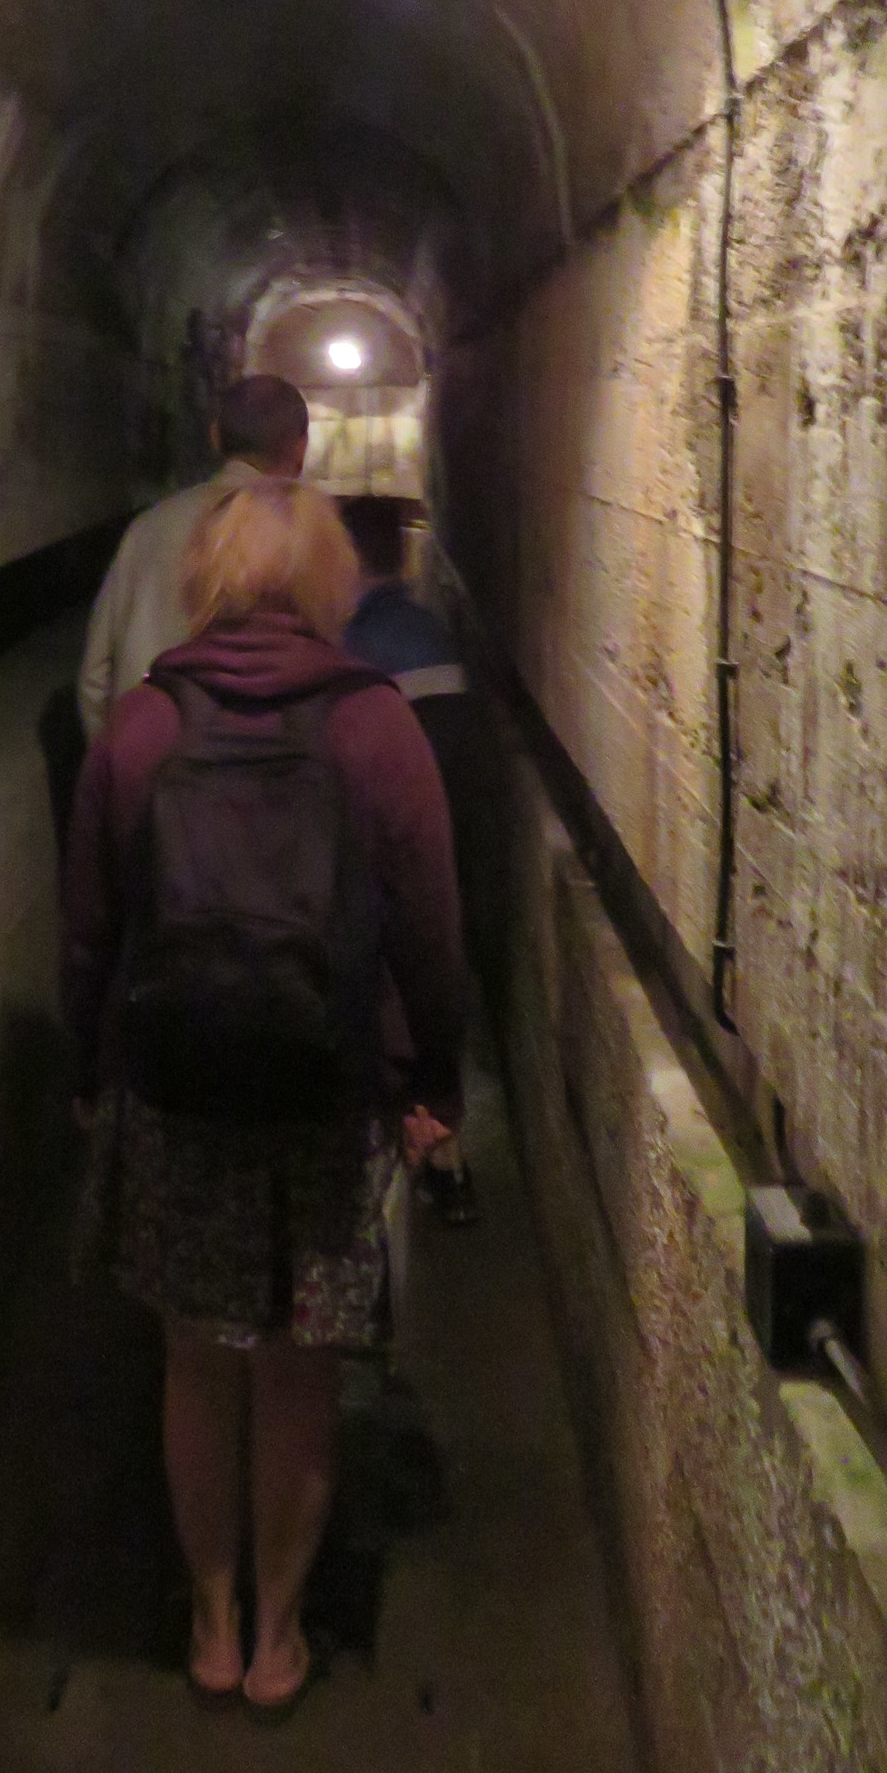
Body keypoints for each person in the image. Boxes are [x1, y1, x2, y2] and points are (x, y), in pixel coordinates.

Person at [62, 481, 465, 1717]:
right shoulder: (376, 727)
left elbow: (90, 930)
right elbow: (432, 928)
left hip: (178, 1094)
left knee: (196, 1361)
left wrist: (89, 1072)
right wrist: (435, 1084)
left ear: (207, 580)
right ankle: (282, 1637)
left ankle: (212, 1622)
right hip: (326, 1098)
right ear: (330, 584)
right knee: (298, 1370)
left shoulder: (142, 727)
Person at [339, 495, 481, 1226]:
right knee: (436, 981)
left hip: (372, 864)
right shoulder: (435, 636)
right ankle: (448, 1162)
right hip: (442, 837)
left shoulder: (348, 651)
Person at [78, 374, 310, 741]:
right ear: (301, 447)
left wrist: (116, 757)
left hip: (148, 748)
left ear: (215, 436)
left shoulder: (149, 526)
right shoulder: (309, 538)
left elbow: (96, 677)